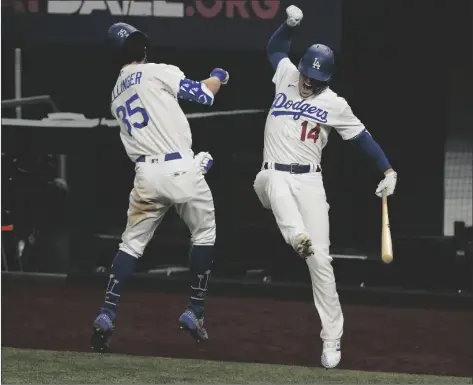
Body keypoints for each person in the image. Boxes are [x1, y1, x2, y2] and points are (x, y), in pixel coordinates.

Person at [253, 5, 398, 369]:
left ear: (325, 80)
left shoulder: (334, 103)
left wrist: (388, 170)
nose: (308, 82)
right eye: (306, 75)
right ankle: (295, 234)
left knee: (320, 261)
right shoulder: (287, 75)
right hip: (272, 175)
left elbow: (362, 138)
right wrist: (288, 25)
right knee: (272, 183)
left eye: (316, 79)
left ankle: (332, 339)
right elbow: (274, 50)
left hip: (309, 180)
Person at [91, 22, 229, 353]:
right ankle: (195, 311)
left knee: (131, 245)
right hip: (179, 168)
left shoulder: (115, 95)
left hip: (146, 176)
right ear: (142, 48)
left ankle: (106, 314)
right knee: (204, 235)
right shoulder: (156, 70)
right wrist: (219, 76)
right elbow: (203, 95)